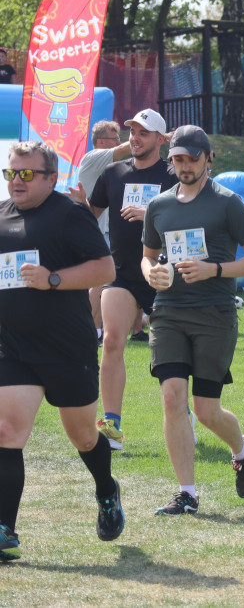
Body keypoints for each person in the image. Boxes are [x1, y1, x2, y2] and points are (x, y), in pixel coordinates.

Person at [0, 142, 122, 562]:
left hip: (66, 345)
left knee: (83, 436)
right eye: (11, 173)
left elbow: (105, 269)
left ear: (51, 178)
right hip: (13, 346)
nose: (17, 181)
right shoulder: (0, 215)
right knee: (6, 432)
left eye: (26, 174)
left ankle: (106, 490)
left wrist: (52, 278)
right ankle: (5, 530)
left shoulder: (69, 214)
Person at [141, 125, 244, 514]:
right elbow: (147, 256)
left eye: (191, 159)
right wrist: (152, 274)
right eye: (177, 159)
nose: (184, 166)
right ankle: (187, 493)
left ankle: (243, 449)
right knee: (172, 397)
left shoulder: (228, 203)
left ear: (208, 159)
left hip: (214, 313)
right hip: (168, 312)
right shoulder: (159, 206)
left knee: (208, 410)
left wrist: (213, 270)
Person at [87, 110, 178, 450]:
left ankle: (183, 413)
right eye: (133, 132)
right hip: (122, 272)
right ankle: (111, 426)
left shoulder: (173, 174)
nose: (136, 138)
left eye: (144, 132)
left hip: (163, 273)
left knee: (170, 352)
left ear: (160, 139)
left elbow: (190, 223)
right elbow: (89, 214)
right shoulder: (113, 172)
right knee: (111, 341)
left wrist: (152, 212)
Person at [69, 120, 132, 343]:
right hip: (93, 230)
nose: (120, 142)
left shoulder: (109, 167)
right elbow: (128, 148)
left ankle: (99, 329)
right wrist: (157, 136)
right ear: (101, 142)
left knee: (102, 280)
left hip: (100, 230)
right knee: (100, 279)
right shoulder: (94, 157)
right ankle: (91, 330)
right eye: (115, 138)